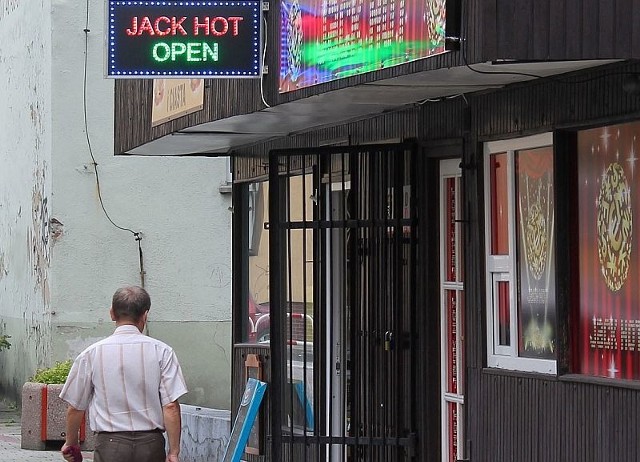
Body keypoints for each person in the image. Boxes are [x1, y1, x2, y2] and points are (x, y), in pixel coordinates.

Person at [59, 286, 188, 462]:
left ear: (112, 313)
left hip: (110, 446)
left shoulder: (91, 354)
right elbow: (171, 406)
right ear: (145, 315)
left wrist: (71, 443)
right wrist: (174, 452)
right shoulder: (162, 352)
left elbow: (75, 407)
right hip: (151, 445)